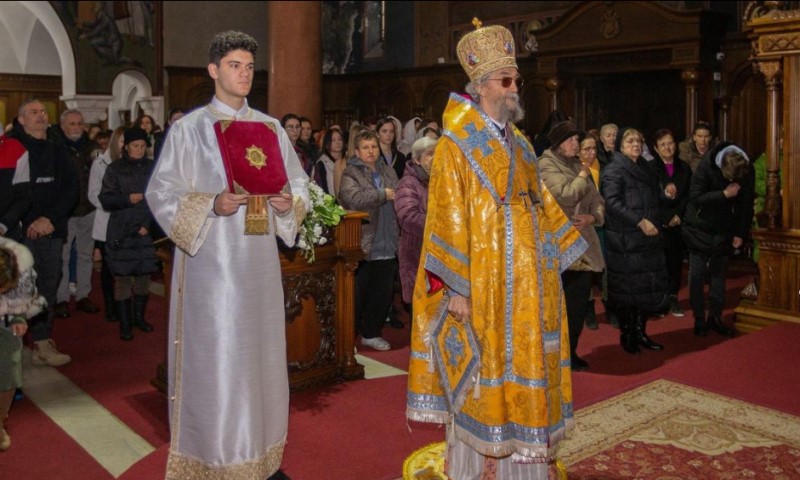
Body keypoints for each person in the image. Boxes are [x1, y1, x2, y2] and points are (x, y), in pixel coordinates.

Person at [406, 19, 586, 479]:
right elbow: (446, 219)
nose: (514, 89)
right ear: (481, 85)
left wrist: (562, 251)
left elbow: (540, 205)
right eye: (506, 81)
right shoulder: (455, 147)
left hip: (529, 291)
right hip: (482, 289)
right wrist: (456, 289)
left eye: (516, 81)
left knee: (525, 376)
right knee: (480, 385)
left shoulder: (522, 145)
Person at [145, 31, 308, 480]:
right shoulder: (190, 129)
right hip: (212, 268)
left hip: (258, 263)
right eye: (235, 65)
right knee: (219, 360)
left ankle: (259, 455)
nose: (244, 74)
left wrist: (287, 204)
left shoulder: (271, 128)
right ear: (214, 70)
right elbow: (162, 192)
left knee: (261, 357)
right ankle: (215, 460)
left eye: (250, 67)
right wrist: (210, 204)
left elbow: (298, 185)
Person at [7, 99, 78, 367]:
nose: (40, 116)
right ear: (21, 119)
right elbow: (10, 192)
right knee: (18, 287)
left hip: (51, 228)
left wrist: (49, 219)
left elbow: (71, 188)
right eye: (33, 113)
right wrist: (28, 221)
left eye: (43, 112)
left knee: (48, 284)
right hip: (20, 231)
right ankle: (12, 344)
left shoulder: (57, 146)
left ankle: (42, 341)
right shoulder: (11, 146)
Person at [539, 121, 605, 371]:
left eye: (577, 141)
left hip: (583, 244)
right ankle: (554, 356)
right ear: (557, 143)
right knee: (557, 307)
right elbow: (565, 195)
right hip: (558, 246)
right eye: (571, 141)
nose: (576, 145)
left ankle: (571, 351)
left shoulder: (579, 166)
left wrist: (593, 217)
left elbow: (597, 200)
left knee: (577, 306)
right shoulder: (545, 164)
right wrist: (582, 175)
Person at [602, 127, 669, 354]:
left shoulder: (646, 167)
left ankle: (641, 332)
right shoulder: (614, 169)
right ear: (620, 146)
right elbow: (611, 202)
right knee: (628, 290)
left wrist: (665, 194)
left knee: (645, 288)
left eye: (638, 141)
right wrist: (639, 221)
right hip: (625, 239)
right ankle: (627, 334)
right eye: (630, 141)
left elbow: (652, 196)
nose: (635, 145)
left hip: (647, 238)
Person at [682, 142, 754, 337]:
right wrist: (724, 194)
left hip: (724, 228)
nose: (730, 180)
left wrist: (740, 233)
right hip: (699, 225)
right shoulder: (706, 165)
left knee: (719, 275)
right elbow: (695, 198)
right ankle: (698, 319)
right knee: (696, 274)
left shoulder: (746, 168)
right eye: (727, 177)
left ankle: (715, 317)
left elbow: (746, 204)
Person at [338, 130, 399, 351]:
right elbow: (353, 199)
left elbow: (399, 193)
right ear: (357, 151)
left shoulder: (388, 170)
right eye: (366, 147)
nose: (371, 151)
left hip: (388, 241)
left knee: (382, 293)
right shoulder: (350, 173)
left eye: (374, 146)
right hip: (362, 243)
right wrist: (382, 194)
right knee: (356, 296)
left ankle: (371, 333)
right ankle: (347, 338)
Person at [99, 128, 158, 341]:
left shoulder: (153, 168)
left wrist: (148, 225)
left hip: (143, 230)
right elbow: (105, 199)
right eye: (135, 146)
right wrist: (127, 199)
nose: (140, 150)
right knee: (123, 279)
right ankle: (125, 325)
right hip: (121, 230)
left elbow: (160, 199)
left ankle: (139, 319)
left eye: (143, 146)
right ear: (126, 147)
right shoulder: (115, 169)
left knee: (143, 277)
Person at [53, 109, 100, 319]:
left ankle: (83, 295)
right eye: (72, 124)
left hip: (88, 209)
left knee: (85, 255)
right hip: (65, 211)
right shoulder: (55, 148)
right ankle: (61, 298)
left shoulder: (92, 148)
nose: (76, 128)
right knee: (62, 257)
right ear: (63, 126)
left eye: (80, 124)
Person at [0, 236, 46, 452]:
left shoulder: (21, 262)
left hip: (4, 321)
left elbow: (24, 300)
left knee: (9, 369)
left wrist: (19, 318)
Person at [647, 129, 692, 317]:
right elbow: (649, 196)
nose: (668, 147)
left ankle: (672, 297)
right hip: (658, 223)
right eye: (663, 144)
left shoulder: (684, 168)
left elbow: (688, 195)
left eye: (670, 142)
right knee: (658, 263)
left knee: (674, 262)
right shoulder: (649, 168)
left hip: (677, 223)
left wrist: (678, 215)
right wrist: (665, 218)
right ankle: (658, 301)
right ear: (656, 149)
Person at [394, 136, 436, 314]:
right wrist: (441, 225)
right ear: (417, 159)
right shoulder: (408, 183)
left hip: (437, 256)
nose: (434, 158)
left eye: (437, 154)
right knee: (421, 315)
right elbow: (408, 217)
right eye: (429, 154)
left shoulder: (441, 181)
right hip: (416, 256)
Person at [88, 127, 125, 322]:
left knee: (124, 267)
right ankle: (110, 305)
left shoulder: (132, 165)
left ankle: (124, 304)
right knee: (109, 268)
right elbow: (93, 193)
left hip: (127, 222)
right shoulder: (100, 163)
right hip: (108, 219)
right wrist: (113, 205)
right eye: (122, 142)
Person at [314, 128, 344, 195]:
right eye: (333, 140)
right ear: (327, 144)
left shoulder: (346, 160)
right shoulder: (321, 163)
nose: (337, 142)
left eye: (340, 139)